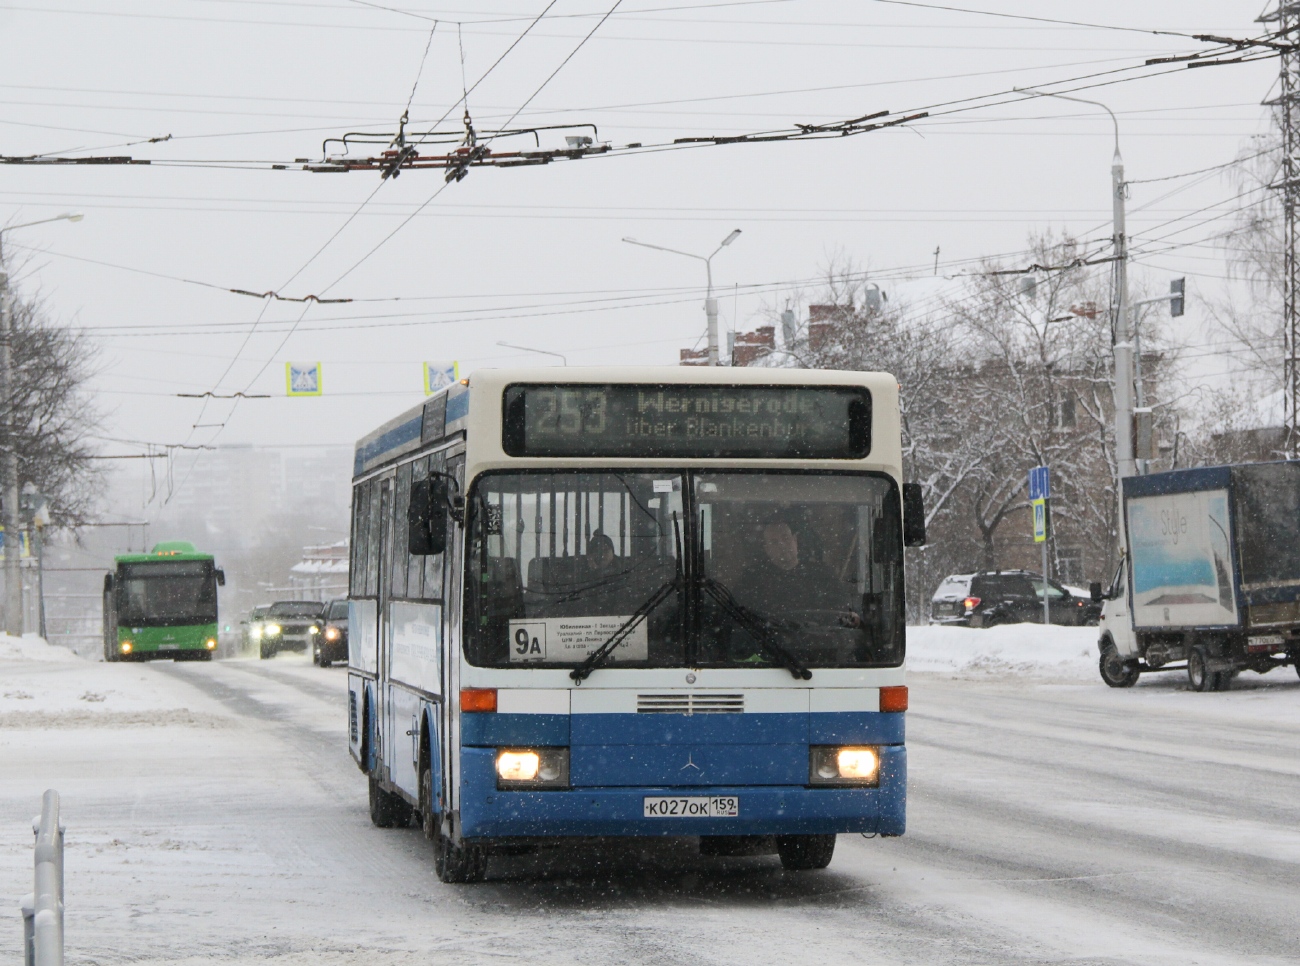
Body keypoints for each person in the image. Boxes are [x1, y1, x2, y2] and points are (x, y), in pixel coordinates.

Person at [743, 520, 862, 628]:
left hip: (822, 645)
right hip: (770, 646)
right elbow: (744, 620)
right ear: (767, 549)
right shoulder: (753, 580)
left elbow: (842, 609)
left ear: (795, 540)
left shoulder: (822, 574)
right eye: (774, 542)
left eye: (785, 538)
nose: (782, 545)